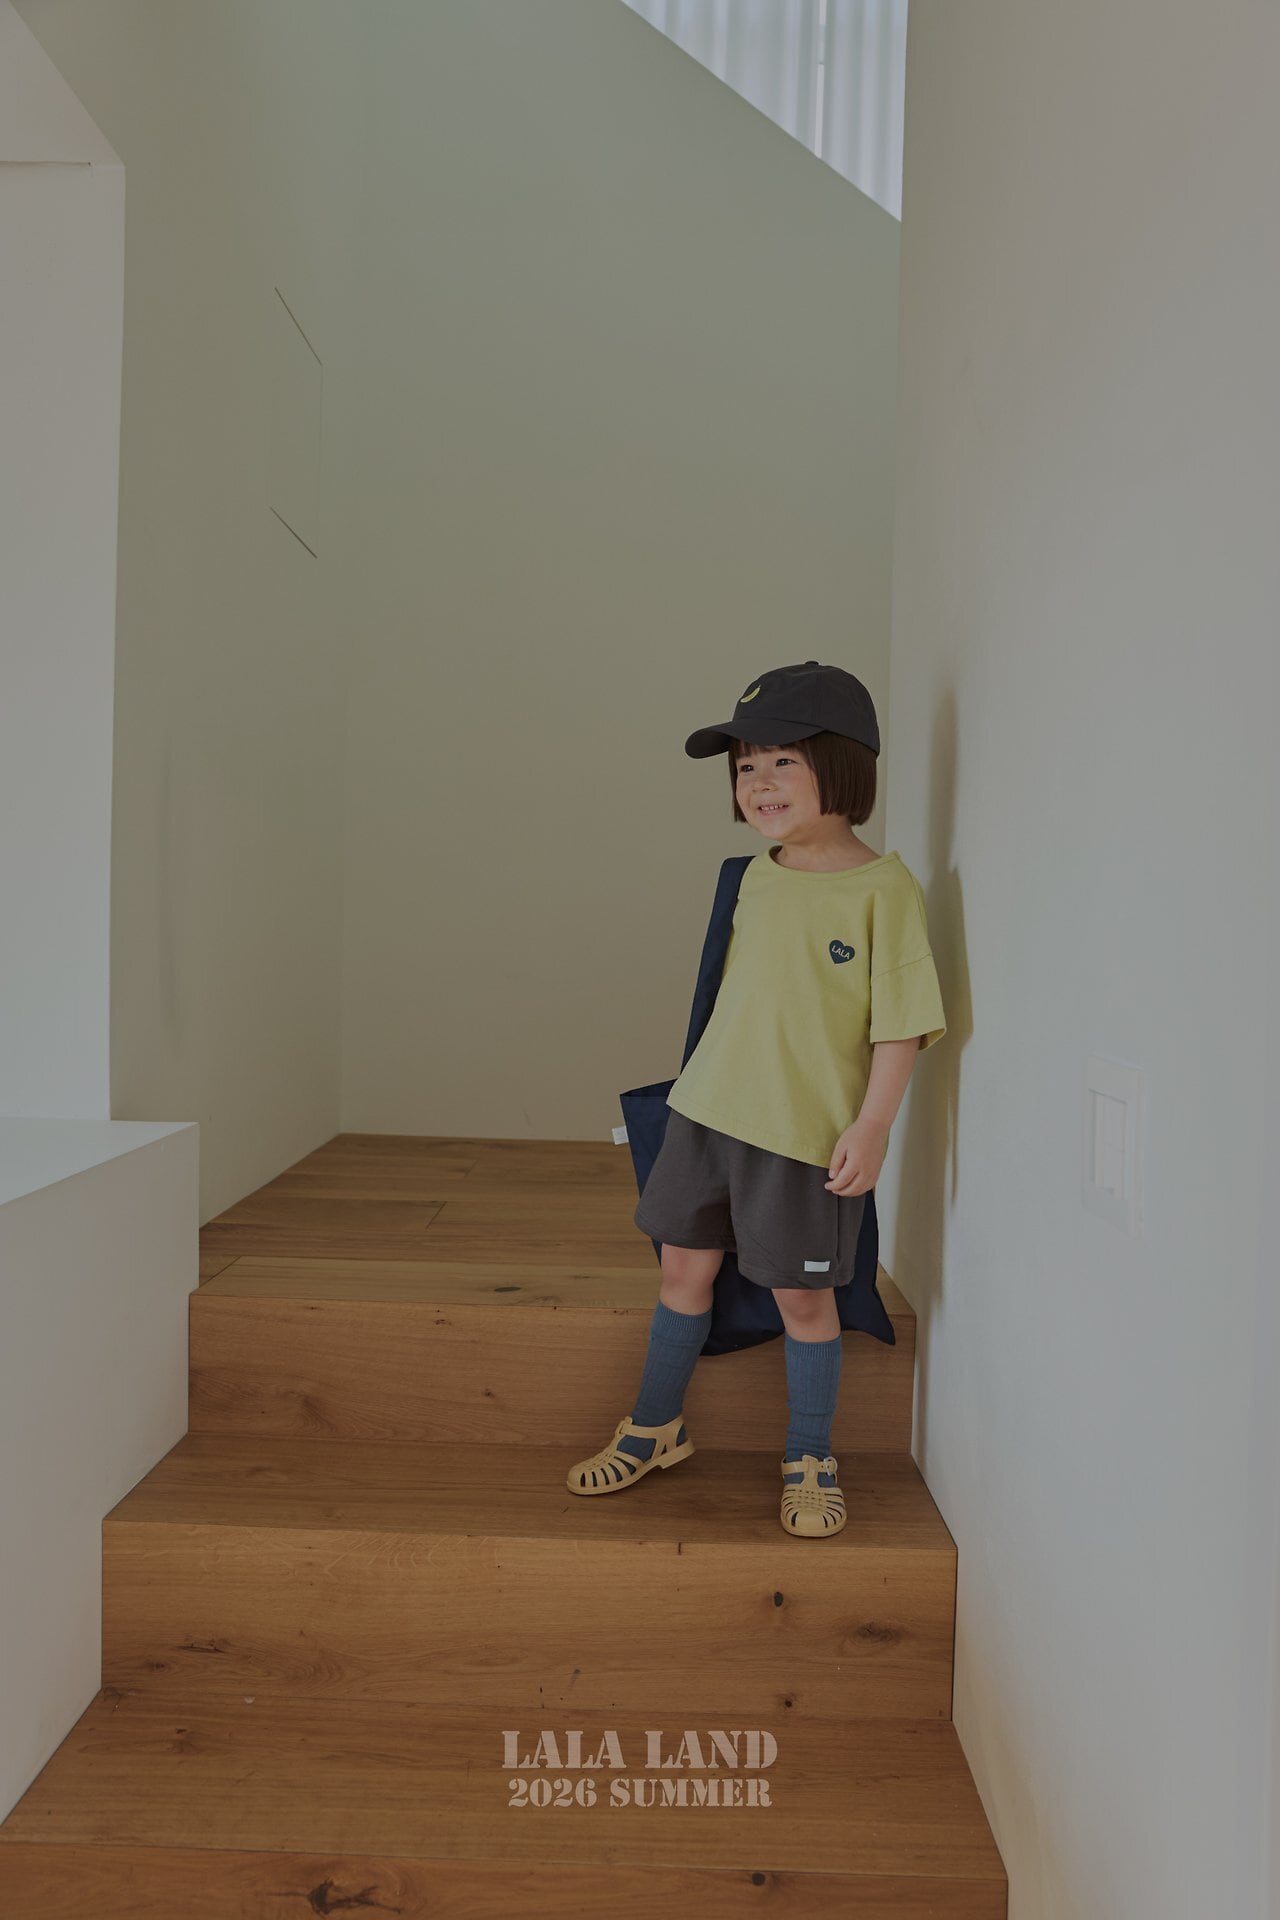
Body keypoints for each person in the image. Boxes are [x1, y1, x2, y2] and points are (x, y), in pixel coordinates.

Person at [565, 661, 946, 1538]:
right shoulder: (749, 878)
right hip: (706, 1117)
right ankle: (655, 1425)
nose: (758, 783)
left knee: (803, 1299)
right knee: (682, 1270)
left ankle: (810, 1454)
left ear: (842, 766)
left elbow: (900, 1026)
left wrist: (873, 1126)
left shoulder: (883, 889)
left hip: (802, 1137)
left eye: (781, 762)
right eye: (745, 767)